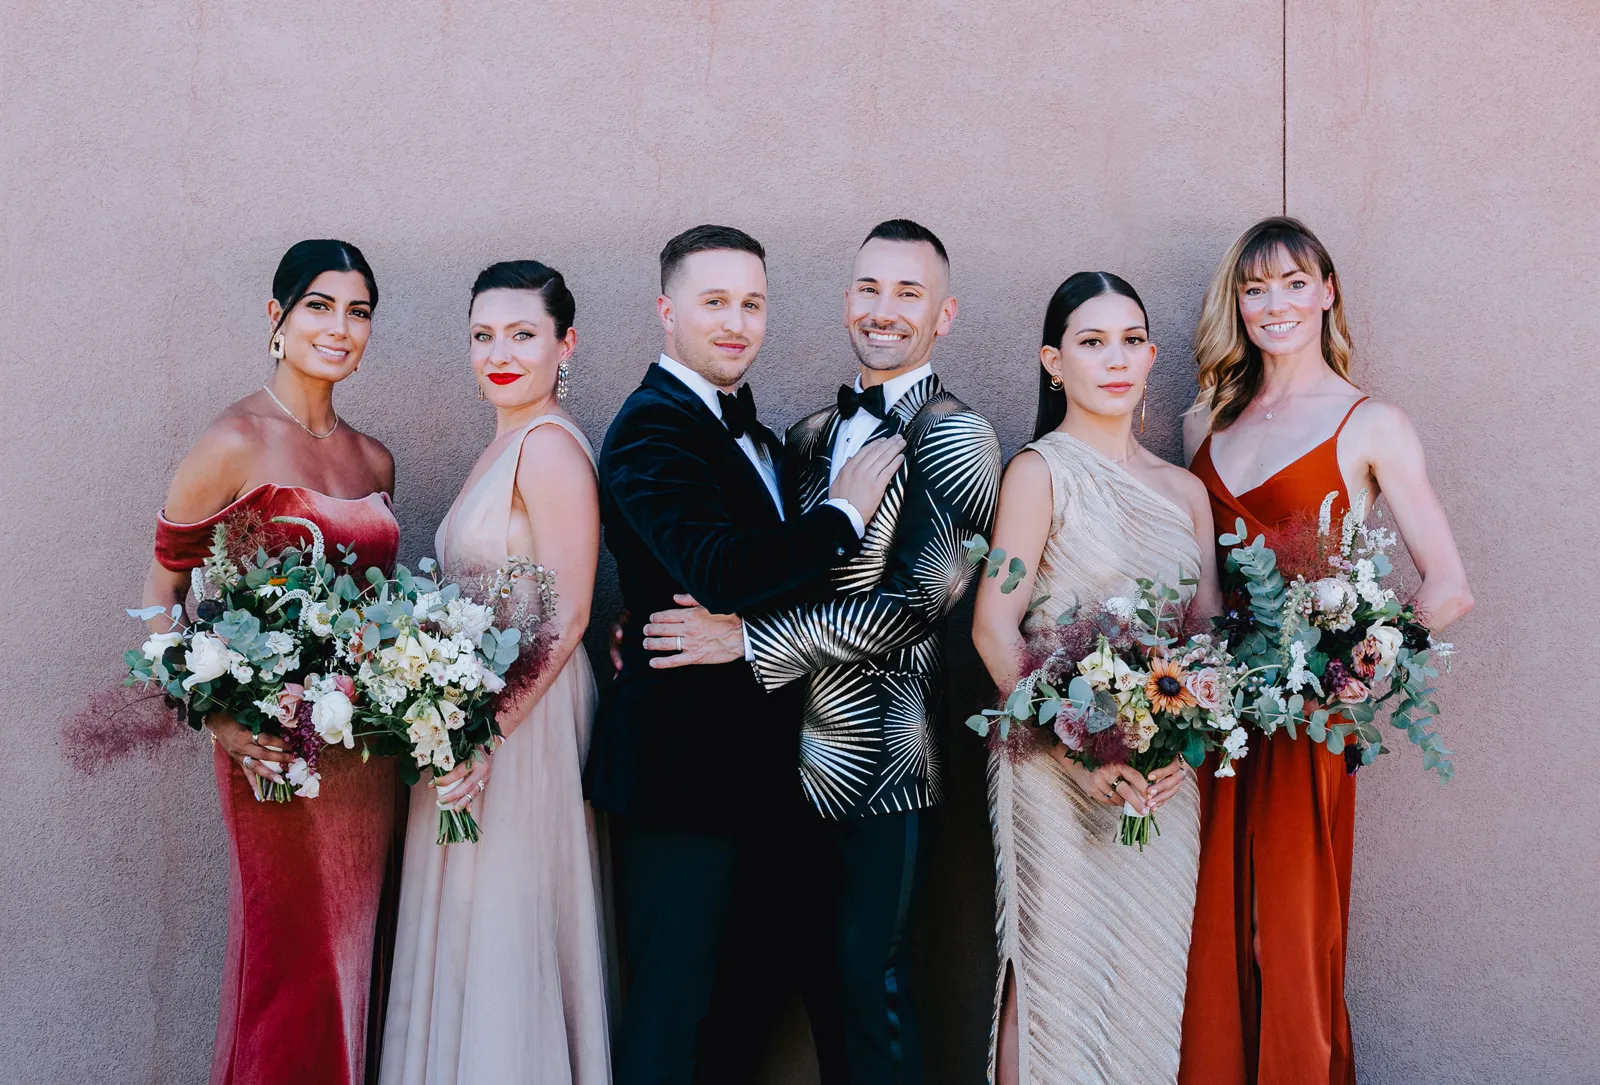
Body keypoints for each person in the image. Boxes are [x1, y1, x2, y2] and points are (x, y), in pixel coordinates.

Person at [645, 219, 1001, 1084]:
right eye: (870, 289)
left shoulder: (961, 437)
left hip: (880, 766)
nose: (885, 311)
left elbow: (915, 606)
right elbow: (756, 565)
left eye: (909, 293)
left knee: (866, 985)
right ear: (847, 301)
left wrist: (744, 641)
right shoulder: (801, 437)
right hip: (774, 769)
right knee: (793, 992)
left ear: (944, 314)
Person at [586, 224, 905, 1085]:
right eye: (714, 301)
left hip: (766, 777)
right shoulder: (650, 430)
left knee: (740, 1023)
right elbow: (718, 570)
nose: (736, 321)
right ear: (667, 310)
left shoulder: (757, 434)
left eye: (752, 302)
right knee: (672, 1015)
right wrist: (839, 518)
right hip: (683, 776)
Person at [1178, 217, 1473, 1084]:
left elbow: (1448, 585)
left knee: (1286, 942)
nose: (1276, 304)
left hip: (1307, 726)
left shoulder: (1370, 421)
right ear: (1237, 301)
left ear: (1328, 291)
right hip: (1211, 723)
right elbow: (1198, 588)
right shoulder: (1204, 419)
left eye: (1295, 283)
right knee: (1210, 940)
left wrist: (1356, 664)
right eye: (1256, 287)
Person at [142, 240, 399, 1085]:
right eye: (320, 306)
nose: (340, 328)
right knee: (290, 969)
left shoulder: (373, 461)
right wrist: (217, 719)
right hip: (273, 758)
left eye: (358, 312)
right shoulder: (233, 439)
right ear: (276, 319)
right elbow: (158, 605)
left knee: (353, 961)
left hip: (362, 760)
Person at [970, 273, 1222, 1085]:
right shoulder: (1039, 473)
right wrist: (1083, 753)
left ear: (1151, 356)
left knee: (1146, 978)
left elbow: (1207, 635)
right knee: (1052, 977)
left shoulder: (1187, 492)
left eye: (1130, 340)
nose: (1115, 359)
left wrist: (1187, 738)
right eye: (1090, 341)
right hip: (1054, 771)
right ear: (1054, 362)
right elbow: (992, 626)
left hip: (1164, 785)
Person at [380, 262, 610, 1084]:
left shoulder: (549, 449)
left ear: (565, 343)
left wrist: (484, 735)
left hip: (523, 722)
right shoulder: (503, 442)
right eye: (483, 335)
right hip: (472, 718)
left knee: (507, 920)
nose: (499, 352)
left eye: (522, 334)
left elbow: (569, 611)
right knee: (472, 923)